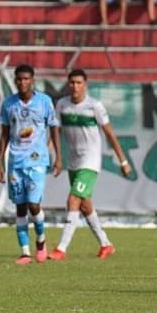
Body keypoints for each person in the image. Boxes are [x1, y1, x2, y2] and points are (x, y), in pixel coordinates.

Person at [49, 69, 130, 261]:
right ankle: (106, 244)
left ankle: (61, 248)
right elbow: (55, 133)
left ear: (85, 85)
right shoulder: (62, 105)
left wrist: (123, 161)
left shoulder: (95, 106)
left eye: (79, 83)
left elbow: (109, 134)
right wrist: (53, 155)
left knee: (73, 199)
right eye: (72, 83)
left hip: (90, 161)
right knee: (85, 206)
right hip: (74, 161)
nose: (75, 86)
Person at [0, 64, 62, 264]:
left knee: (34, 204)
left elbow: (54, 127)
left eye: (26, 79)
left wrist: (58, 156)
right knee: (20, 206)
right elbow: (5, 133)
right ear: (15, 81)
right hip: (15, 160)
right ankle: (25, 252)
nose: (22, 82)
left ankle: (41, 241)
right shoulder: (9, 104)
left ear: (32, 80)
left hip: (37, 160)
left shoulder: (44, 102)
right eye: (19, 79)